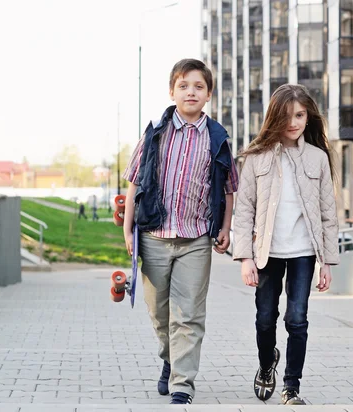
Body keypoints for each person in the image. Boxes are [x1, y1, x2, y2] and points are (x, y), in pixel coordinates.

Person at [121, 58, 239, 405]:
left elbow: (229, 188)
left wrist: (225, 228)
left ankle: (182, 385)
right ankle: (170, 360)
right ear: (172, 91)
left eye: (198, 86)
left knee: (188, 315)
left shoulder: (217, 138)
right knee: (159, 314)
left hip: (196, 239)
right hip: (155, 235)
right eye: (184, 85)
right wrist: (129, 231)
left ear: (208, 95)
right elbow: (134, 183)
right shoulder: (155, 132)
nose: (191, 91)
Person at [233, 84, 339, 405]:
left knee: (297, 319)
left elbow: (327, 213)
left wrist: (327, 262)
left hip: (304, 254)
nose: (293, 122)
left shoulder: (318, 158)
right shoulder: (256, 157)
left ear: (308, 117)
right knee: (265, 318)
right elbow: (244, 209)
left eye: (300, 115)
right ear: (274, 117)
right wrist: (245, 258)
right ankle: (267, 366)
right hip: (267, 253)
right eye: (287, 115)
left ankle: (291, 387)